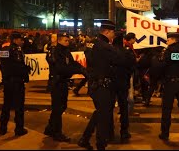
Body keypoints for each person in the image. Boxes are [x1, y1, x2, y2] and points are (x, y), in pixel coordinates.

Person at [78, 20, 125, 150]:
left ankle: (85, 138)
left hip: (94, 84)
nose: (113, 37)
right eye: (112, 34)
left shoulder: (91, 43)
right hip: (103, 86)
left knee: (99, 113)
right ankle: (100, 145)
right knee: (104, 117)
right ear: (108, 32)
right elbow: (120, 59)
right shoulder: (104, 46)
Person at [44, 32, 87, 142]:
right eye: (65, 40)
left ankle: (50, 128)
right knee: (58, 108)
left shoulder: (66, 51)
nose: (68, 42)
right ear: (59, 40)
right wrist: (77, 70)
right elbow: (61, 68)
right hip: (57, 82)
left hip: (63, 82)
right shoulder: (55, 52)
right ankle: (57, 133)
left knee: (61, 107)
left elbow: (72, 63)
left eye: (68, 40)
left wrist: (82, 69)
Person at [158, 32, 179, 141]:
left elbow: (162, 66)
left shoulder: (168, 52)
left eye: (168, 39)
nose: (167, 41)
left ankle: (165, 133)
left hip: (170, 83)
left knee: (167, 109)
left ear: (174, 40)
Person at [0, 32, 30, 136]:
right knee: (19, 106)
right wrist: (26, 70)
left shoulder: (3, 50)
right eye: (21, 39)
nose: (22, 41)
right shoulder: (16, 50)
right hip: (17, 81)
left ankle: (2, 128)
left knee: (6, 105)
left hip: (7, 81)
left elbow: (3, 65)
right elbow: (17, 67)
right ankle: (19, 128)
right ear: (15, 40)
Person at [109, 31, 136, 141]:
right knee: (123, 107)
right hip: (123, 83)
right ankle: (124, 131)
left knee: (109, 108)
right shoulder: (127, 53)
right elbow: (133, 67)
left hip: (111, 83)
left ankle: (109, 131)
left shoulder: (109, 52)